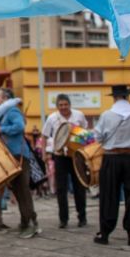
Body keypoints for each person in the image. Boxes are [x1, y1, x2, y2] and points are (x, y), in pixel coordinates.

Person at [93, 85, 130, 246]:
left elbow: (97, 137)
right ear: (127, 96)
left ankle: (104, 233)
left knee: (109, 195)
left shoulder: (106, 115)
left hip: (111, 158)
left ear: (114, 97)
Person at [0, 89, 39, 238]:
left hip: (19, 154)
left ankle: (30, 224)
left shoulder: (12, 110)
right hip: (11, 154)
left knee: (22, 190)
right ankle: (27, 221)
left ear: (5, 98)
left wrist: (1, 129)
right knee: (18, 190)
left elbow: (19, 127)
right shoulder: (3, 112)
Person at [41, 93, 88, 229]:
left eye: (66, 104)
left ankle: (82, 217)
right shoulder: (52, 118)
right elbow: (44, 136)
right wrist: (44, 154)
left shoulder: (79, 115)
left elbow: (85, 132)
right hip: (60, 156)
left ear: (70, 105)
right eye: (60, 105)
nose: (63, 107)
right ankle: (63, 219)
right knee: (61, 189)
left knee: (79, 187)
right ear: (57, 107)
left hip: (76, 156)